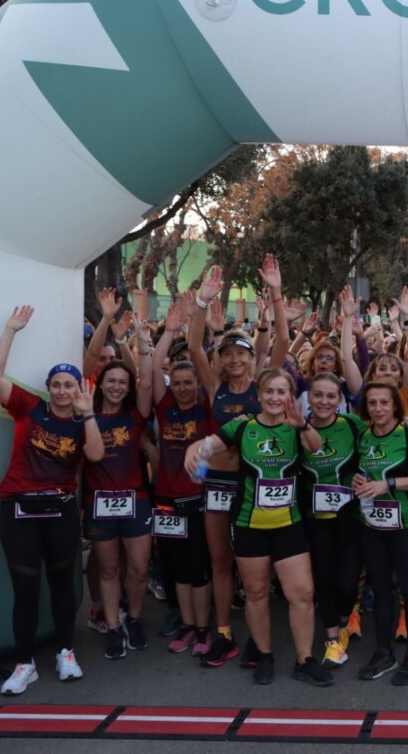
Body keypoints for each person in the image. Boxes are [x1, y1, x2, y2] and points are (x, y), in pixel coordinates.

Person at [183, 368, 329, 686]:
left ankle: (305, 660)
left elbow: (316, 447)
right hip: (249, 524)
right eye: (269, 392)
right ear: (258, 395)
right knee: (257, 592)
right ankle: (264, 654)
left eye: (282, 392)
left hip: (288, 523)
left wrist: (301, 422)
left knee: (301, 593)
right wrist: (193, 451)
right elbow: (207, 445)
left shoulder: (298, 427)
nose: (275, 398)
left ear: (290, 397)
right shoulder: (243, 426)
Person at [0, 305, 105, 695]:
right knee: (25, 588)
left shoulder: (82, 421)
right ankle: (25, 664)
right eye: (55, 384)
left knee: (61, 584)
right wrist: (10, 330)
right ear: (48, 388)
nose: (61, 391)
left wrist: (88, 416)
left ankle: (66, 653)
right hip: (18, 506)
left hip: (60, 510)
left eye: (68, 385)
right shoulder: (28, 407)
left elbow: (95, 457)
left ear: (78, 390)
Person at [187, 256, 290, 667]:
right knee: (219, 562)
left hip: (254, 487)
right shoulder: (214, 387)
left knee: (259, 567)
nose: (233, 359)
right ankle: (224, 633)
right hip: (217, 484)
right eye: (226, 353)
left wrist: (277, 295)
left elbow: (281, 340)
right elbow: (194, 346)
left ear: (251, 359)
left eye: (240, 353)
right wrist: (200, 302)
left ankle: (257, 636)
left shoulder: (264, 387)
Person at [351, 380, 408, 685]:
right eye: (372, 403)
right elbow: (359, 472)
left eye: (384, 403)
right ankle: (384, 651)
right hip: (373, 525)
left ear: (395, 406)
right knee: (381, 589)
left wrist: (388, 484)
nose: (378, 409)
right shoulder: (362, 435)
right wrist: (357, 482)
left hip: (407, 525)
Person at [84, 322, 154, 659]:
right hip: (98, 504)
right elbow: (92, 356)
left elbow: (149, 378)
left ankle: (135, 618)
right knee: (109, 569)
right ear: (100, 382)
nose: (116, 386)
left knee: (139, 568)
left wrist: (142, 342)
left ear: (129, 387)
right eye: (110, 380)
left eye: (122, 382)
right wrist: (105, 320)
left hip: (136, 502)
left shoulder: (135, 416)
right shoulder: (86, 416)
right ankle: (113, 627)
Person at [151, 303, 214, 659]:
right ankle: (188, 626)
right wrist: (167, 333)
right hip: (166, 497)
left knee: (198, 568)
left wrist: (195, 324)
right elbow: (150, 374)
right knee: (176, 567)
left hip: (198, 498)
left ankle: (204, 627)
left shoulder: (205, 407)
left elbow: (203, 366)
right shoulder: (165, 406)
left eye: (188, 382)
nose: (183, 388)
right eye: (177, 383)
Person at [300, 372, 365, 669]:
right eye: (318, 395)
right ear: (309, 398)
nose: (324, 402)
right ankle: (331, 643)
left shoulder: (351, 424)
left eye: (330, 396)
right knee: (324, 578)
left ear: (339, 400)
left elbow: (382, 433)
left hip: (349, 516)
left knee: (348, 583)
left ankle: (342, 620)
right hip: (314, 518)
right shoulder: (297, 429)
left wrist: (404, 423)